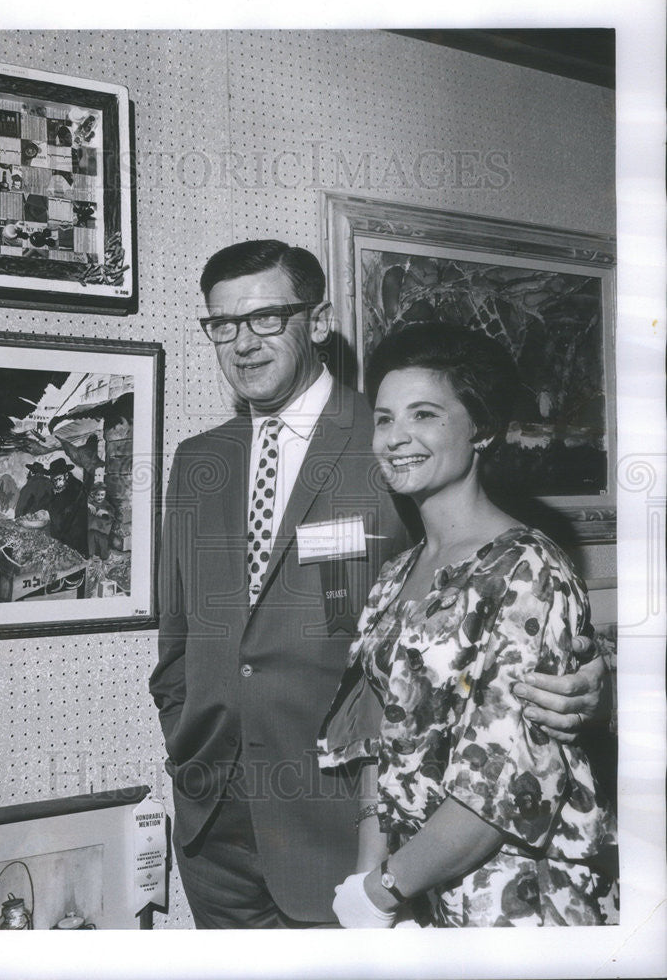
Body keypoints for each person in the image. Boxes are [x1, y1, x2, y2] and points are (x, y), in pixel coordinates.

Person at [149, 240, 607, 929]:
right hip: (215, 829)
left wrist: (592, 680)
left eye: (266, 318)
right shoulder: (197, 462)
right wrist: (183, 737)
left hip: (348, 837)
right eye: (223, 325)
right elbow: (179, 636)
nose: (243, 344)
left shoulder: (397, 440)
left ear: (318, 320)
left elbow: (499, 598)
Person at [320, 323, 618, 928]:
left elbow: (502, 783)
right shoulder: (397, 573)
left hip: (516, 900)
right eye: (383, 418)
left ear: (481, 428)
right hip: (418, 892)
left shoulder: (529, 571)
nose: (396, 438)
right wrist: (370, 881)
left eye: (424, 414)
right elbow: (381, 739)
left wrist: (379, 892)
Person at [45, 457, 88, 558]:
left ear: (66, 475)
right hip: (61, 534)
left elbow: (70, 515)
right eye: (53, 480)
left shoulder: (77, 489)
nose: (56, 483)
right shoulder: (58, 487)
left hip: (74, 538)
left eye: (58, 479)